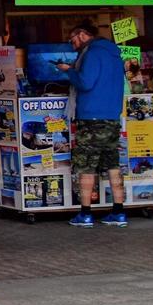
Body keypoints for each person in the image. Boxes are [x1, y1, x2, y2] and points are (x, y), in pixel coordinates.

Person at [57, 22, 128, 227]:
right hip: (112, 117)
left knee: (87, 166)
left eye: (73, 40)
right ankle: (119, 212)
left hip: (91, 118)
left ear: (82, 35)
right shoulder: (114, 54)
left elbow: (86, 83)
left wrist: (69, 70)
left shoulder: (93, 53)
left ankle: (85, 214)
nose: (72, 45)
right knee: (113, 165)